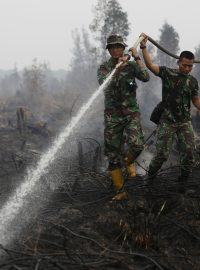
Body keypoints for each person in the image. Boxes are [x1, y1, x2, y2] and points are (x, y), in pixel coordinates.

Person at [139, 33, 200, 192]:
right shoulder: (168, 73)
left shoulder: (192, 81)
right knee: (162, 154)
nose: (187, 68)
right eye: (184, 65)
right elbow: (151, 66)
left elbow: (196, 101)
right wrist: (144, 47)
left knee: (189, 153)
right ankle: (150, 178)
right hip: (167, 122)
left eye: (190, 66)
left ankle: (183, 182)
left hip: (184, 123)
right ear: (178, 62)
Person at [97, 34, 150, 200]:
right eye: (112, 47)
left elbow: (146, 77)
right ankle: (120, 192)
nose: (115, 50)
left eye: (118, 46)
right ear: (109, 50)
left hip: (131, 113)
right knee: (112, 154)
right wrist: (117, 70)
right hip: (113, 116)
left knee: (137, 145)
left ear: (123, 47)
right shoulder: (104, 67)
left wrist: (137, 57)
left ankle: (128, 162)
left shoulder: (131, 65)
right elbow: (102, 84)